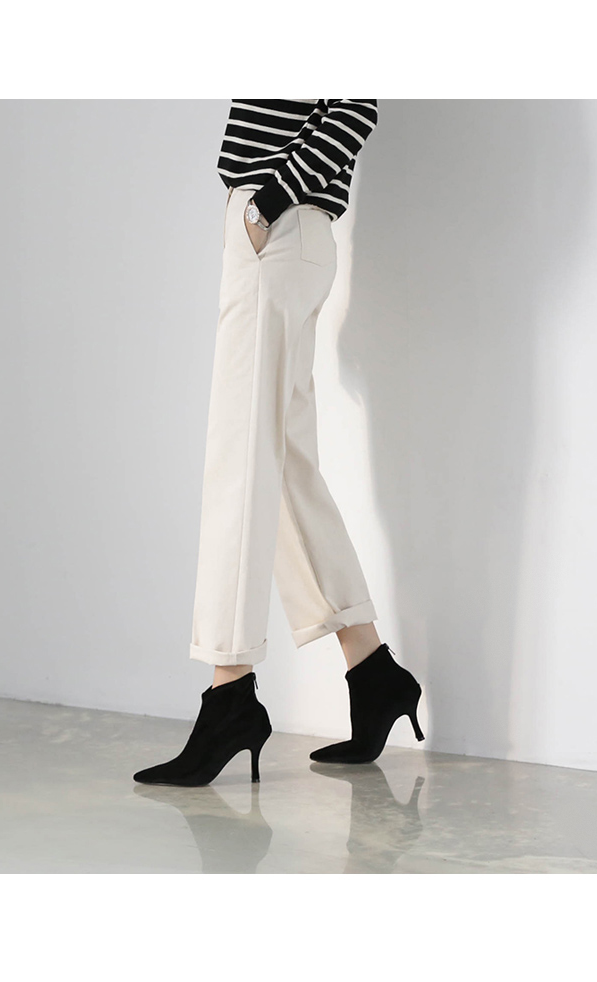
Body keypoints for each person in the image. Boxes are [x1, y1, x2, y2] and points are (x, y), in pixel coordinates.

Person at [133, 99, 423, 787]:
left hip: (276, 224)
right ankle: (372, 670)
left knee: (240, 463)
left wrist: (268, 203)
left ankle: (229, 691)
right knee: (285, 467)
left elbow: (354, 106)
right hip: (287, 231)